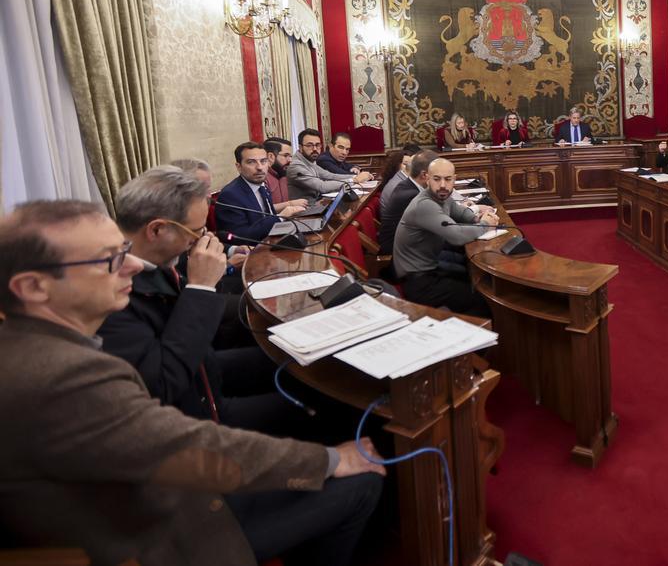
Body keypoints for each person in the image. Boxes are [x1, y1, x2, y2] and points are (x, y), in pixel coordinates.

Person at [0, 200, 384, 566]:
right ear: (34, 287)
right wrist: (332, 460)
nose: (134, 265)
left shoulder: (29, 347)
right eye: (111, 259)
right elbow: (195, 449)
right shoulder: (62, 378)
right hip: (168, 535)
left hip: (158, 497)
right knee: (360, 482)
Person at [99, 167, 307, 434]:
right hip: (194, 420)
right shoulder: (112, 291)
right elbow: (163, 384)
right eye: (196, 231)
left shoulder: (157, 257)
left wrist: (271, 300)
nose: (204, 238)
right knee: (319, 406)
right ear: (157, 230)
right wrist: (201, 287)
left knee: (295, 362)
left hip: (204, 370)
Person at [392, 158, 497, 317]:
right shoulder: (425, 204)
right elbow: (456, 236)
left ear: (454, 179)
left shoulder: (442, 196)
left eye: (448, 179)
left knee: (471, 277)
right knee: (481, 300)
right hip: (418, 282)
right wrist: (485, 225)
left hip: (428, 269)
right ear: (427, 178)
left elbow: (461, 213)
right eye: (436, 179)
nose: (442, 184)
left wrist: (476, 218)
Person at [215, 142, 307, 243]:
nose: (259, 167)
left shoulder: (261, 186)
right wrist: (280, 218)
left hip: (273, 240)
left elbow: (268, 217)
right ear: (239, 167)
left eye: (263, 161)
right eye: (251, 162)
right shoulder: (230, 195)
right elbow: (238, 237)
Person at [288, 129, 374, 203]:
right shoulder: (296, 166)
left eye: (318, 145)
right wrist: (354, 180)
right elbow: (322, 186)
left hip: (316, 205)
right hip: (304, 212)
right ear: (300, 147)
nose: (315, 149)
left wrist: (358, 176)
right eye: (309, 145)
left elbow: (330, 176)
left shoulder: (309, 161)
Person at [379, 148, 436, 253]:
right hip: (402, 251)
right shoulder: (410, 194)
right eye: (436, 177)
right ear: (424, 174)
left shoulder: (405, 184)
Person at [263, 136, 299, 205]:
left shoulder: (284, 174)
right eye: (286, 156)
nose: (290, 160)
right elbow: (264, 210)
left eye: (290, 156)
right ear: (270, 156)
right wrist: (290, 204)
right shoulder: (261, 178)